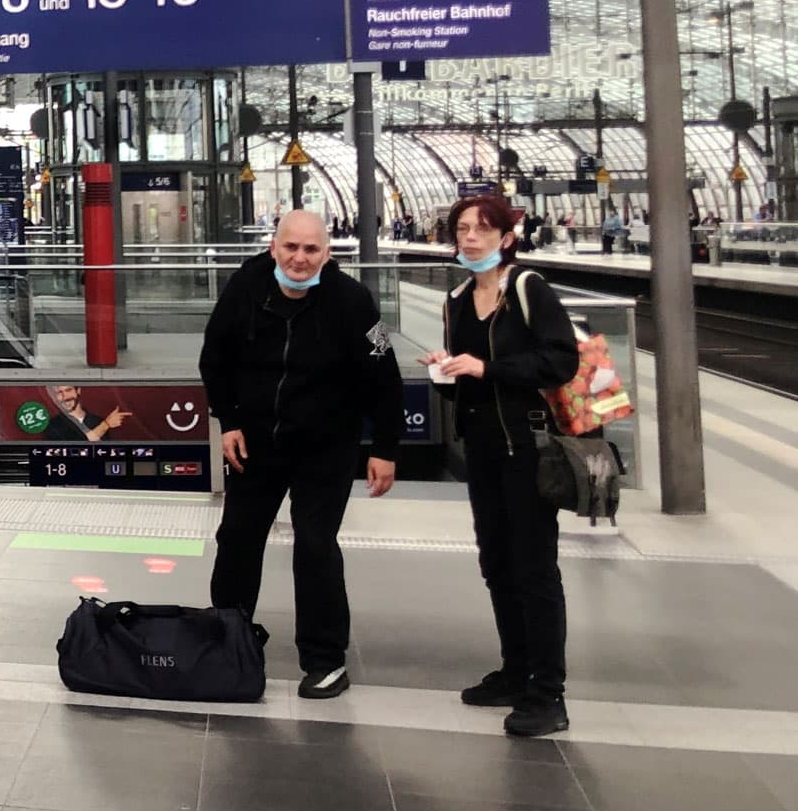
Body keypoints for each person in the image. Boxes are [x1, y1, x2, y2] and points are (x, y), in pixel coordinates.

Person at [199, 211, 402, 699]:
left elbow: (384, 378)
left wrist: (386, 448)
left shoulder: (352, 302)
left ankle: (325, 658)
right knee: (238, 539)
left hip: (327, 445)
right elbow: (215, 357)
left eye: (311, 249)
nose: (299, 258)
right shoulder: (245, 288)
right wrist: (229, 422)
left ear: (327, 254)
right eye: (290, 247)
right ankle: (229, 641)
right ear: (274, 248)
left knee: (315, 545)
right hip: (257, 442)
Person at [426, 191, 581, 739]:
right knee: (497, 563)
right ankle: (516, 672)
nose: (469, 237)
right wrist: (447, 372)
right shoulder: (458, 302)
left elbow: (561, 359)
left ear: (506, 237)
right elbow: (465, 385)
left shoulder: (526, 289)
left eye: (481, 228)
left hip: (530, 450)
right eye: (462, 228)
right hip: (484, 452)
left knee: (535, 568)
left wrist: (488, 368)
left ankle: (548, 693)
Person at [44, 385, 127, 442]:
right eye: (59, 392)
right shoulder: (52, 425)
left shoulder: (97, 421)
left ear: (78, 391)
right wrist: (106, 425)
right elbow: (78, 447)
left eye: (68, 390)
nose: (64, 397)